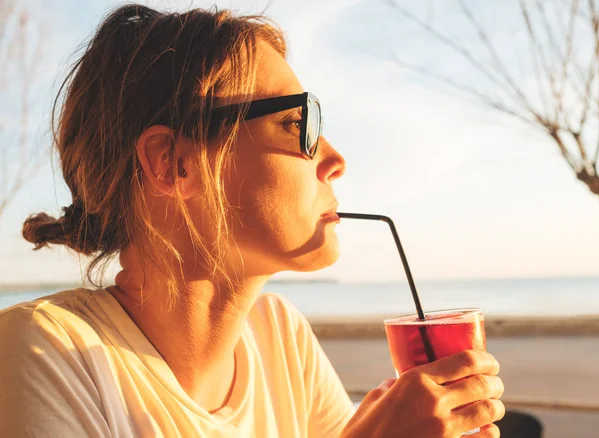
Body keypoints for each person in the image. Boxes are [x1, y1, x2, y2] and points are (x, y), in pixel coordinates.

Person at [0, 4, 505, 437]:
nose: (335, 159)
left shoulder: (279, 336)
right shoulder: (44, 352)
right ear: (172, 163)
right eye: (298, 123)